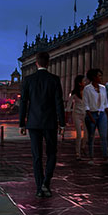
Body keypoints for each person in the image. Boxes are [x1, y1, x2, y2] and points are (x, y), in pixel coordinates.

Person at [19, 51, 65, 198]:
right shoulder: (54, 79)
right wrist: (62, 123)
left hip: (33, 122)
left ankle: (39, 187)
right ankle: (46, 183)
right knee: (51, 154)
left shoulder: (28, 80)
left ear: (36, 63)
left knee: (36, 156)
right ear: (48, 63)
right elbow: (59, 102)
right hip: (50, 122)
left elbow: (24, 103)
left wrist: (22, 123)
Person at [83, 68, 108, 164]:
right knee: (91, 136)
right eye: (99, 76)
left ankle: (105, 156)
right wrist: (90, 117)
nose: (101, 78)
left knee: (103, 136)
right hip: (92, 114)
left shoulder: (103, 88)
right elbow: (86, 105)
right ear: (93, 77)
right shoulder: (87, 89)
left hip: (102, 113)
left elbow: (106, 103)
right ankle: (91, 157)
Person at [68, 75, 88, 160]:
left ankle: (83, 147)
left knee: (86, 133)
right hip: (76, 114)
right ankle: (77, 152)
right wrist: (67, 114)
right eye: (84, 81)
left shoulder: (87, 91)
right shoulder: (74, 93)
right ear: (79, 83)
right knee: (79, 134)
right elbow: (69, 105)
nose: (85, 82)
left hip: (85, 114)